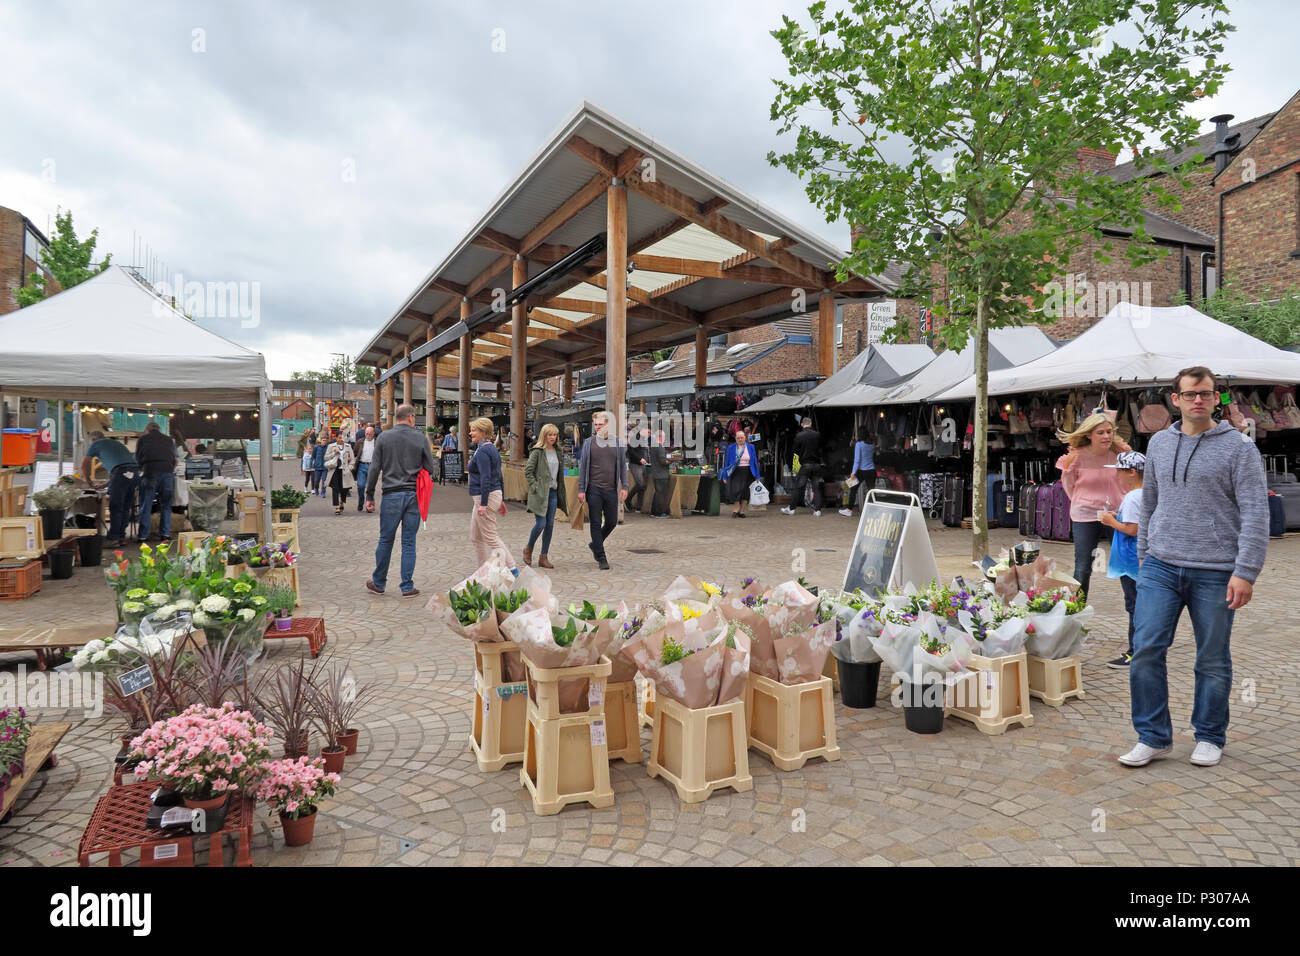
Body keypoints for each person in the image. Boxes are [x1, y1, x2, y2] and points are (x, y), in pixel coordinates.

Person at [1118, 366, 1268, 769]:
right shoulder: (1159, 445)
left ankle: (1209, 735)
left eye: (1205, 393)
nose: (1198, 400)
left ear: (1216, 398)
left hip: (1217, 570)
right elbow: (1149, 503)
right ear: (1176, 400)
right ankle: (1152, 736)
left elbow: (1256, 512)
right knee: (1146, 649)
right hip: (1160, 567)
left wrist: (1246, 571)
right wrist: (1146, 554)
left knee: (1212, 657)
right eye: (1190, 394)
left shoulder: (1239, 448)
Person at [1055, 412, 1131, 599]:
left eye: (1109, 431)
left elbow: (1131, 480)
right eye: (1100, 433)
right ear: (1089, 434)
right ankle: (1075, 610)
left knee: (1125, 563)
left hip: (1116, 514)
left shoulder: (1121, 452)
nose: (1106, 436)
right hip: (1085, 515)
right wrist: (1085, 501)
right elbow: (1068, 484)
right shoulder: (1077, 456)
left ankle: (1136, 612)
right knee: (1083, 566)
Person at [364, 404, 436, 597]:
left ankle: (379, 583)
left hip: (391, 495)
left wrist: (369, 495)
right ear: (411, 417)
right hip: (414, 496)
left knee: (386, 540)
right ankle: (407, 587)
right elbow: (430, 468)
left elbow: (374, 469)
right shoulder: (420, 438)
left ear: (397, 417)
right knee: (409, 542)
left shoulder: (384, 438)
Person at [1099, 452, 1146, 668]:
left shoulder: (1133, 497)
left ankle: (1134, 653)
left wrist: (1110, 521)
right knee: (1139, 604)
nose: (1116, 475)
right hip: (1137, 559)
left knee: (1134, 605)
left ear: (1132, 472)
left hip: (1130, 560)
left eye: (1119, 470)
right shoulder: (1147, 493)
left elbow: (1132, 529)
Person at [577, 410, 627, 570]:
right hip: (594, 489)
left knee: (612, 521)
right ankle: (601, 556)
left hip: (611, 489)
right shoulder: (588, 443)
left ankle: (595, 544)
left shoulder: (617, 443)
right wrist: (581, 489)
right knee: (595, 522)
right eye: (596, 425)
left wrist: (624, 486)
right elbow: (583, 467)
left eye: (601, 424)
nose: (598, 427)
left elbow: (622, 467)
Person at [467, 417, 513, 568]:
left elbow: (485, 478)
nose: (470, 433)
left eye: (473, 430)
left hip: (484, 497)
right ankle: (481, 570)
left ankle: (513, 570)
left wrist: (484, 504)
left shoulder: (482, 451)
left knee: (491, 537)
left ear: (482, 432)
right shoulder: (491, 448)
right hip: (490, 495)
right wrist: (501, 499)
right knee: (476, 537)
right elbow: (498, 475)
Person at [81, 430, 138, 548]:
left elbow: (84, 465)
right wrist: (105, 485)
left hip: (121, 473)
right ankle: (121, 537)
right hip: (134, 472)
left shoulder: (95, 444)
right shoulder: (116, 443)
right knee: (125, 507)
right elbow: (122, 468)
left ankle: (113, 538)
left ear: (92, 439)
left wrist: (88, 480)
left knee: (116, 507)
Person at [523, 424, 566, 568]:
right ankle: (528, 548)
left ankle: (543, 557)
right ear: (544, 435)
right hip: (540, 493)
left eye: (555, 435)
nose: (553, 437)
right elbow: (528, 471)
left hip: (553, 492)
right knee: (541, 523)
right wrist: (535, 486)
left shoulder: (558, 451)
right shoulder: (537, 452)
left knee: (550, 525)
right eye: (550, 435)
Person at [134, 422, 176, 542]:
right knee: (166, 505)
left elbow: (138, 457)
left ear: (147, 429)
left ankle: (143, 536)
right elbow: (174, 458)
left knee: (146, 505)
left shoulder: (143, 439)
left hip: (150, 472)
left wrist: (142, 468)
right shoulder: (169, 440)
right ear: (159, 429)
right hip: (167, 473)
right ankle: (165, 534)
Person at [782, 417, 824, 516]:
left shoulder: (799, 436)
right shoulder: (817, 435)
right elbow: (821, 448)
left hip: (805, 465)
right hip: (817, 465)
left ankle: (791, 509)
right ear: (811, 423)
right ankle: (817, 510)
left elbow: (794, 450)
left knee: (799, 487)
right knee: (816, 487)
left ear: (802, 424)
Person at [721, 428, 760, 518]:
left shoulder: (751, 447)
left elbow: (754, 462)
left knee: (746, 492)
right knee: (736, 491)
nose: (740, 439)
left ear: (745, 438)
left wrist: (757, 475)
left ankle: (741, 511)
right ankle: (735, 509)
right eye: (738, 438)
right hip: (736, 471)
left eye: (742, 437)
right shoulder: (731, 448)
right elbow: (726, 462)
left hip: (748, 471)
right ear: (735, 439)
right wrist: (724, 476)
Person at [840, 430, 877, 517]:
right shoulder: (872, 444)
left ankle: (849, 510)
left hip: (860, 471)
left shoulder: (859, 444)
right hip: (871, 470)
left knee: (853, 489)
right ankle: (874, 510)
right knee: (872, 491)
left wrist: (853, 472)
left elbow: (857, 460)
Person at [324, 432, 356, 515]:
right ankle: (337, 506)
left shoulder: (348, 447)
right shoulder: (331, 446)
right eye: (339, 437)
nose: (341, 439)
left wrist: (350, 467)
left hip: (345, 470)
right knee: (335, 488)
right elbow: (326, 457)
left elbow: (352, 459)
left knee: (344, 488)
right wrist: (334, 453)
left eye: (342, 438)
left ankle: (342, 501)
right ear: (336, 438)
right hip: (334, 470)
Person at [647, 429, 671, 517]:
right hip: (662, 474)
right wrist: (671, 461)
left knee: (657, 493)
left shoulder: (653, 446)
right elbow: (663, 461)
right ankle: (658, 513)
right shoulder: (660, 446)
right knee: (660, 494)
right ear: (661, 437)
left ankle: (653, 512)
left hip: (656, 473)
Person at [626, 425, 650, 513]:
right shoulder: (634, 438)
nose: (649, 434)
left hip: (644, 465)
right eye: (648, 432)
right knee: (640, 484)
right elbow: (630, 451)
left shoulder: (644, 439)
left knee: (643, 486)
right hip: (635, 464)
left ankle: (639, 507)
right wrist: (640, 459)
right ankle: (627, 501)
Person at [353, 425, 377, 512]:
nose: (368, 435)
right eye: (367, 433)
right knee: (361, 485)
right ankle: (361, 502)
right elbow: (354, 453)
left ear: (373, 433)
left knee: (370, 487)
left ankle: (369, 505)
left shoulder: (377, 442)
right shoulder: (360, 442)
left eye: (370, 433)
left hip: (372, 466)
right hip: (361, 466)